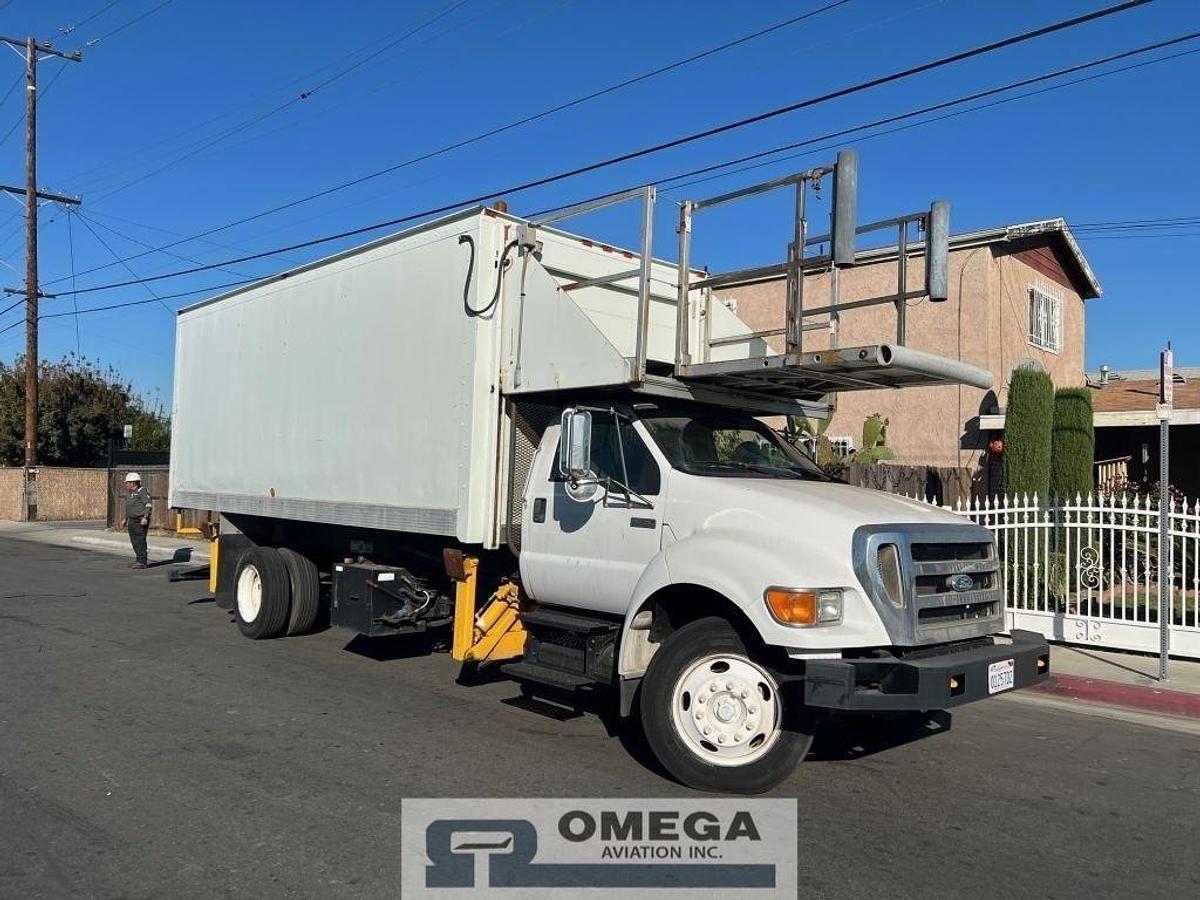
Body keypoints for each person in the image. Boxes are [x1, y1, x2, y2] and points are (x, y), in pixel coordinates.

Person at [123, 473, 152, 569]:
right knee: (134, 541)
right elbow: (129, 508)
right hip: (132, 520)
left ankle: (142, 561)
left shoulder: (142, 492)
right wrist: (126, 518)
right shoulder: (131, 494)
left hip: (140, 520)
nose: (126, 484)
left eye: (128, 483)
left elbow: (148, 505)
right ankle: (138, 559)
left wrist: (145, 517)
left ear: (133, 482)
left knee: (140, 540)